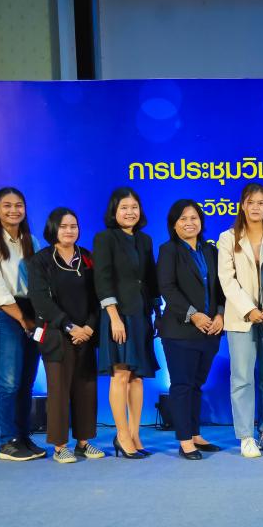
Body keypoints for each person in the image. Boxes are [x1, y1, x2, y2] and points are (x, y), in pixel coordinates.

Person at [27, 208, 104, 464]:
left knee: (86, 389)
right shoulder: (41, 261)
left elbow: (99, 296)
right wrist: (70, 327)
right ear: (53, 229)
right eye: (63, 226)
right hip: (56, 335)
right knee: (59, 391)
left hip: (86, 334)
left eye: (73, 226)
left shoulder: (88, 258)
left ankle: (83, 442)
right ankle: (60, 446)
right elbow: (41, 301)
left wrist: (89, 327)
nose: (69, 230)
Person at [0, 187, 45, 461]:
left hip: (32, 312)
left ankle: (23, 437)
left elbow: (40, 281)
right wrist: (23, 320)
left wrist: (36, 318)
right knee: (9, 382)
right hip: (5, 313)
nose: (13, 210)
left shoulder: (31, 241)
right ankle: (7, 441)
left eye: (18, 205)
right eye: (7, 205)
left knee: (27, 382)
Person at [218, 183, 263, 458]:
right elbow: (227, 280)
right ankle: (246, 435)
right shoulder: (227, 238)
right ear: (242, 206)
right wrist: (249, 310)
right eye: (251, 202)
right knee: (242, 377)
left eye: (261, 203)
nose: (256, 207)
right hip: (240, 318)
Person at [92, 187, 159, 459]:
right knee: (120, 374)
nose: (130, 212)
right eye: (124, 208)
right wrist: (114, 317)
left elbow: (151, 279)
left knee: (137, 377)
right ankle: (121, 435)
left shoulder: (145, 240)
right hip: (117, 315)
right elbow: (102, 279)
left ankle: (134, 434)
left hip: (140, 314)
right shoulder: (105, 238)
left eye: (134, 207)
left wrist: (156, 312)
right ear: (114, 211)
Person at [157, 199, 225, 460]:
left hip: (210, 331)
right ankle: (185, 440)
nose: (189, 223)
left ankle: (196, 434)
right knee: (182, 385)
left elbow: (221, 287)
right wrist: (193, 315)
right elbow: (167, 288)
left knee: (197, 384)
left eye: (194, 218)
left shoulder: (210, 251)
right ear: (174, 225)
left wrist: (220, 314)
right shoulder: (168, 250)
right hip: (180, 332)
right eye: (183, 219)